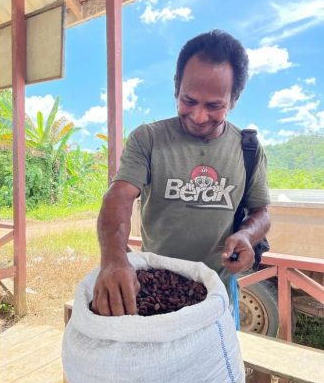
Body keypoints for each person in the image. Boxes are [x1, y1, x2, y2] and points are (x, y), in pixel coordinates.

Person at [92, 29, 271, 316]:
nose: (199, 116)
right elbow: (119, 196)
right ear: (176, 87)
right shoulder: (148, 139)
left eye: (214, 106)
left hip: (219, 294)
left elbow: (261, 213)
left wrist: (248, 235)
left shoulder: (248, 149)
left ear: (234, 99)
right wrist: (113, 259)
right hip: (155, 292)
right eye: (189, 100)